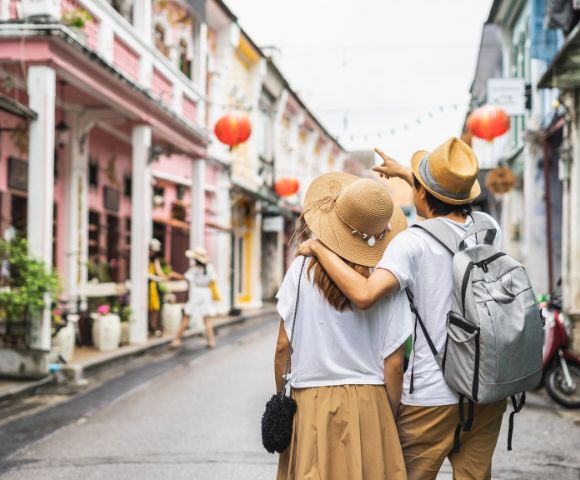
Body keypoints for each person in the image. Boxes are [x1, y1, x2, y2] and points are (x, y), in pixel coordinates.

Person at [298, 137, 507, 480]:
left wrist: (321, 250)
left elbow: (365, 294)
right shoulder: (488, 230)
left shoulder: (411, 242)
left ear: (422, 193)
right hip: (485, 390)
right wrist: (411, 177)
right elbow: (447, 207)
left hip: (431, 395)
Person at [275, 172, 412, 480]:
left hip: (309, 399)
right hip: (370, 402)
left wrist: (283, 398)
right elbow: (394, 365)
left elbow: (283, 346)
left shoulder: (300, 270)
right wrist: (386, 415)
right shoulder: (386, 280)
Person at [170, 247, 218, 349]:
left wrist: (173, 275)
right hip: (206, 293)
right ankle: (211, 340)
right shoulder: (210, 268)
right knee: (207, 318)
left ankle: (177, 339)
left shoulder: (195, 269)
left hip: (197, 293)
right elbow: (213, 280)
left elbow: (186, 278)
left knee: (187, 316)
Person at [148, 238, 168, 337]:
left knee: (155, 307)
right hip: (147, 286)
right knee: (148, 308)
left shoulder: (154, 259)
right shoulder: (144, 259)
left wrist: (163, 276)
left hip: (153, 287)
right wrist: (157, 277)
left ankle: (154, 326)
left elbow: (158, 270)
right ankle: (150, 327)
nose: (152, 252)